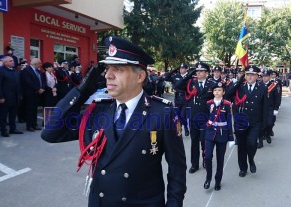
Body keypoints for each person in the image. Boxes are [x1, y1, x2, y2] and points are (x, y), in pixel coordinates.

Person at [41, 36, 187, 207]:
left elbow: (177, 171)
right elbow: (50, 133)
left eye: (117, 69)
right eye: (107, 69)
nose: (108, 75)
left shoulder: (162, 113)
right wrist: (81, 91)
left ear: (140, 76)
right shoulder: (98, 111)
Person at [227, 65, 268, 177]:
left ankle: (251, 159)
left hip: (255, 122)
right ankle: (243, 168)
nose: (250, 77)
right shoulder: (240, 86)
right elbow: (228, 94)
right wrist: (239, 81)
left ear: (257, 76)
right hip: (241, 121)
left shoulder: (263, 88)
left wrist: (264, 125)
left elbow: (265, 107)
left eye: (252, 74)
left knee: (252, 143)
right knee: (241, 146)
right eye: (248, 74)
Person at [175, 62, 215, 173]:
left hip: (206, 117)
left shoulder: (212, 84)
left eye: (201, 71)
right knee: (194, 141)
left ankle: (206, 159)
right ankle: (194, 164)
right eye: (197, 71)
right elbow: (177, 86)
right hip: (193, 117)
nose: (198, 73)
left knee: (204, 140)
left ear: (206, 72)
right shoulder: (190, 83)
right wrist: (189, 74)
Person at [203, 82, 233, 191]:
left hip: (222, 134)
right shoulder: (208, 103)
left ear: (223, 92)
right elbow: (204, 118)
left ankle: (217, 180)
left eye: (219, 90)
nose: (217, 92)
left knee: (220, 159)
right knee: (207, 157)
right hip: (210, 133)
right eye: (215, 90)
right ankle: (208, 178)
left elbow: (229, 121)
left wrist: (231, 138)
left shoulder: (227, 104)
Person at [0, 56, 23, 137]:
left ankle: (13, 129)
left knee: (13, 114)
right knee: (3, 115)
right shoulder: (1, 71)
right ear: (5, 63)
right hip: (5, 97)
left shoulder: (15, 71)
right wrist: (1, 97)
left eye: (12, 61)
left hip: (15, 97)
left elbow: (18, 84)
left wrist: (20, 95)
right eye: (10, 61)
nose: (13, 62)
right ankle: (3, 130)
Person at [165, 63, 190, 136]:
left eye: (183, 68)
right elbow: (166, 78)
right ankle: (181, 129)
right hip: (177, 98)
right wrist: (174, 70)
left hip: (185, 98)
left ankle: (184, 128)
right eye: (180, 68)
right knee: (178, 115)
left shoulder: (189, 77)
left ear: (186, 69)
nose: (181, 70)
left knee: (183, 114)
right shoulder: (176, 76)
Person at [257, 70, 281, 148]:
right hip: (260, 107)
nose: (264, 78)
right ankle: (260, 142)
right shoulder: (258, 84)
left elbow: (278, 97)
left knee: (269, 123)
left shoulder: (274, 85)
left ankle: (268, 133)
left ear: (270, 77)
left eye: (266, 76)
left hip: (270, 107)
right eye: (263, 76)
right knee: (260, 124)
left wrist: (276, 108)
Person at [20, 58, 45, 131]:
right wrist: (38, 89)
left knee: (35, 110)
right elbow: (28, 82)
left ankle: (34, 124)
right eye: (39, 63)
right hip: (30, 93)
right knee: (29, 110)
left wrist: (42, 88)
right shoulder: (26, 71)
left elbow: (42, 80)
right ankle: (29, 125)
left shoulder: (38, 71)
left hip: (38, 93)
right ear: (35, 64)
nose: (40, 65)